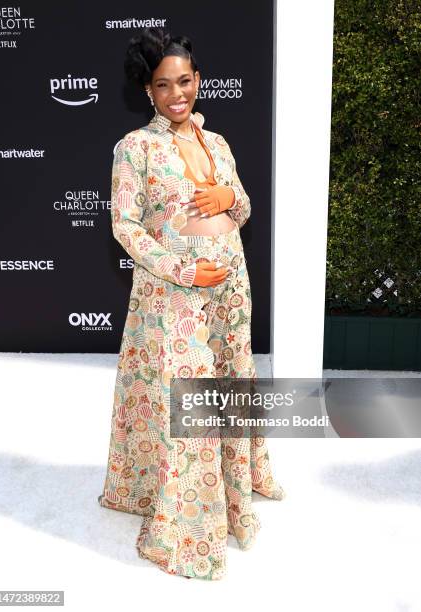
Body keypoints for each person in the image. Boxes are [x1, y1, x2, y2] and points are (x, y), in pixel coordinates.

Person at [98, 26, 285, 580]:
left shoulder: (217, 142)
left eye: (184, 81)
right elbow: (125, 227)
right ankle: (186, 524)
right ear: (148, 91)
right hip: (175, 295)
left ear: (198, 80)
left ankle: (235, 487)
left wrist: (230, 197)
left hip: (230, 289)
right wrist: (183, 268)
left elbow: (242, 207)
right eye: (163, 85)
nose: (176, 94)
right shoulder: (135, 149)